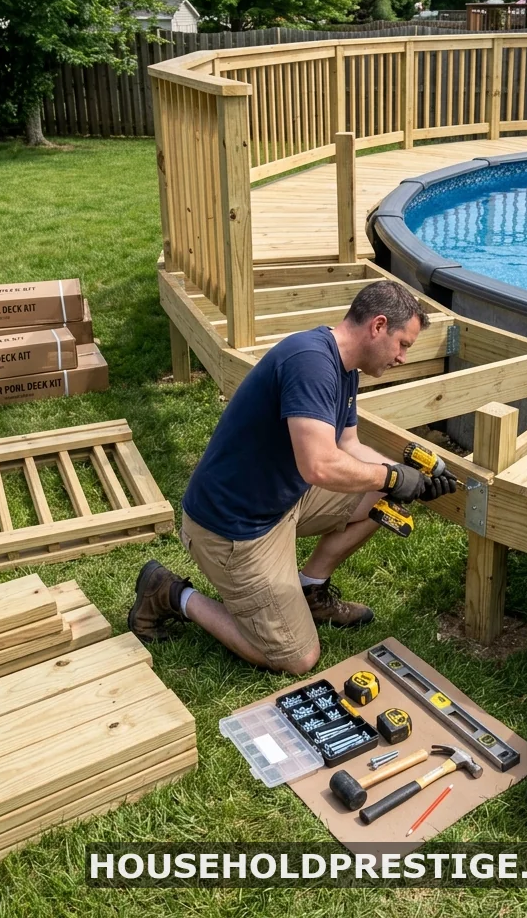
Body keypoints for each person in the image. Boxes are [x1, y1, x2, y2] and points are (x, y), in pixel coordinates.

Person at [128, 281, 457, 674]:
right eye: (403, 344)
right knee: (296, 657)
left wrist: (407, 479)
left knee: (381, 495)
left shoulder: (344, 366)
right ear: (378, 325)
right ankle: (170, 593)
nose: (404, 356)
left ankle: (311, 589)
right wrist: (390, 477)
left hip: (281, 499)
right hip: (234, 530)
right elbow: (318, 466)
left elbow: (347, 446)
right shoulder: (310, 363)